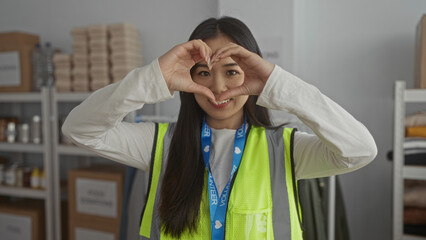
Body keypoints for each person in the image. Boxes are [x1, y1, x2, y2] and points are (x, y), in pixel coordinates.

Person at [62, 16, 377, 240]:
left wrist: (276, 84)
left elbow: (360, 150)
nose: (218, 87)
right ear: (189, 79)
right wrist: (155, 77)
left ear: (252, 74)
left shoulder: (286, 148)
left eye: (232, 72)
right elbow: (79, 129)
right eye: (203, 73)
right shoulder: (159, 143)